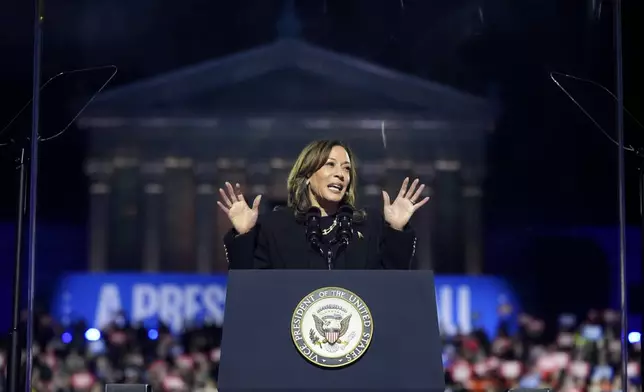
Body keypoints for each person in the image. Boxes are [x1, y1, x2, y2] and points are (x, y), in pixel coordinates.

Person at [217, 140, 430, 269]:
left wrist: (396, 230)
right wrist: (243, 235)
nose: (340, 174)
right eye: (330, 165)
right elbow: (249, 289)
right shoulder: (275, 226)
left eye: (346, 169)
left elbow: (394, 284)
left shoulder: (370, 225)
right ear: (308, 174)